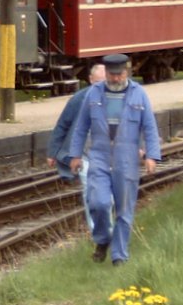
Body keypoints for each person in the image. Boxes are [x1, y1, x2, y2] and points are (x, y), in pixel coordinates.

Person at [68, 53, 161, 266]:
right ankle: (102, 240)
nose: (116, 78)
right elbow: (81, 127)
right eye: (112, 74)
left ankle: (119, 256)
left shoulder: (139, 94)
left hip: (126, 158)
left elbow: (149, 127)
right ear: (107, 73)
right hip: (99, 155)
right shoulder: (93, 94)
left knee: (124, 210)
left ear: (126, 73)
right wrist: (74, 155)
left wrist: (151, 155)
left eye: (120, 74)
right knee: (98, 202)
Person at [46, 63, 106, 229]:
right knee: (91, 190)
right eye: (98, 82)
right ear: (91, 80)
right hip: (85, 156)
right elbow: (63, 125)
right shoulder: (79, 99)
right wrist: (53, 152)